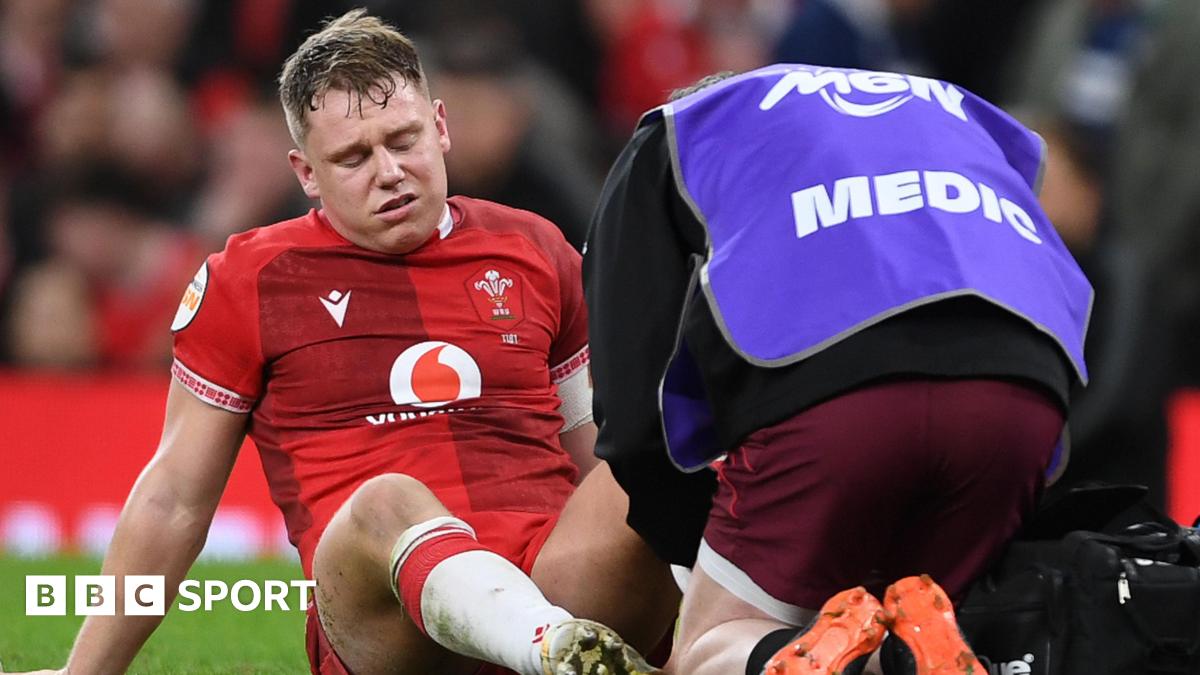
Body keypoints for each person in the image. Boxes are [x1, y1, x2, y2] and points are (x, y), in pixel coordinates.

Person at [16, 10, 677, 675]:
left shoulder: (534, 247)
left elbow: (595, 454)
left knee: (672, 444)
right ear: (306, 172)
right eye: (354, 158)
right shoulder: (250, 279)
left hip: (554, 578)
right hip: (386, 625)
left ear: (440, 127)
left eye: (404, 140)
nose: (389, 171)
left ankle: (685, 652)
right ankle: (548, 648)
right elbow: (173, 498)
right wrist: (85, 672)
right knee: (386, 499)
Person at [583, 66, 1093, 674]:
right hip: (1023, 397)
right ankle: (899, 657)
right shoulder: (957, 111)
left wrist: (695, 538)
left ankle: (833, 660)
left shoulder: (681, 129)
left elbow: (631, 404)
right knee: (926, 628)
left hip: (839, 403)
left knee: (712, 647)